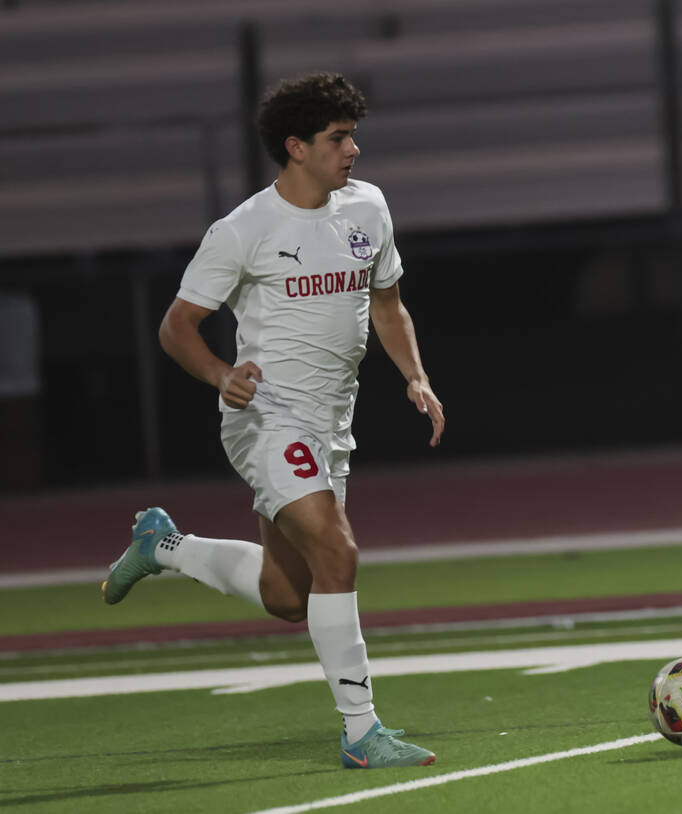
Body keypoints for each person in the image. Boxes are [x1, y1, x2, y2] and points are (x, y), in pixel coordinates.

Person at [101, 72, 445, 769]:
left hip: (330, 425)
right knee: (339, 556)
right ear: (295, 146)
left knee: (289, 596)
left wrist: (414, 374)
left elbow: (387, 304)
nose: (352, 150)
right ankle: (361, 732)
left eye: (351, 136)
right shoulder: (244, 229)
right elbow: (178, 327)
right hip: (266, 417)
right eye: (337, 138)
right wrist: (221, 375)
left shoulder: (368, 208)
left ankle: (161, 547)